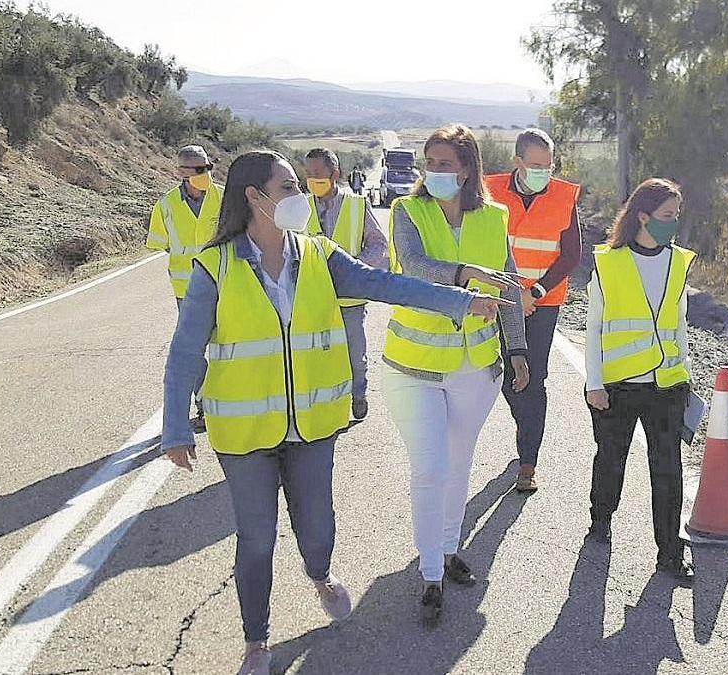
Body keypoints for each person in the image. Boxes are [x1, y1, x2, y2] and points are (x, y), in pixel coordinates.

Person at [160, 150, 508, 675]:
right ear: (255, 197)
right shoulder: (216, 266)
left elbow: (387, 284)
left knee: (318, 527)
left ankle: (319, 574)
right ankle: (257, 641)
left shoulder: (318, 255)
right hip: (245, 430)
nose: (299, 195)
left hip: (313, 425)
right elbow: (185, 351)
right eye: (288, 187)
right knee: (256, 541)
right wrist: (174, 425)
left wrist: (459, 300)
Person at [382, 124, 529, 623]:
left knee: (459, 461)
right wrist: (467, 274)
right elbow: (414, 269)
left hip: (475, 367)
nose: (436, 172)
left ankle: (447, 550)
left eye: (446, 163)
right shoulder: (408, 211)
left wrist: (520, 349)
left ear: (468, 169)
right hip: (414, 365)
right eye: (431, 162)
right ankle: (429, 574)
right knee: (430, 466)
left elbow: (507, 283)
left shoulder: (495, 217)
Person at [584, 178, 696, 582]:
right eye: (668, 215)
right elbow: (593, 326)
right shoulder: (607, 262)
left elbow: (679, 323)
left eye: (677, 215)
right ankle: (600, 519)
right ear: (643, 216)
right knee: (611, 460)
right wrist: (593, 382)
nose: (674, 223)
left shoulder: (679, 262)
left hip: (666, 386)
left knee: (668, 470)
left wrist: (684, 374)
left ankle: (670, 552)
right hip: (616, 386)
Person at [485, 128, 582, 492]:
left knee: (532, 378)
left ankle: (528, 462)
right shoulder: (489, 190)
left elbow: (571, 254)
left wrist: (535, 292)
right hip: (496, 298)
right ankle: (524, 425)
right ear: (518, 162)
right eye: (536, 164)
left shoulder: (563, 196)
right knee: (507, 376)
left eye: (549, 164)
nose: (544, 171)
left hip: (543, 302)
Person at [304, 148, 388, 423]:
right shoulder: (299, 207)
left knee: (353, 352)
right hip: (311, 296)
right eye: (308, 174)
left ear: (334, 174)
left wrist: (355, 270)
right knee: (314, 352)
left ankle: (358, 394)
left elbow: (377, 244)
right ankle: (321, 402)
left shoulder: (356, 205)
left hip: (349, 297)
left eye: (317, 174)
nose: (311, 179)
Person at [146, 144, 221, 429]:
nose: (206, 174)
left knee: (229, 344)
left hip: (226, 283)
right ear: (181, 173)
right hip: (187, 290)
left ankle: (233, 401)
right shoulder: (166, 205)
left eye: (208, 168)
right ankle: (204, 405)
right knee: (193, 349)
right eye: (200, 170)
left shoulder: (225, 197)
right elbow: (163, 243)